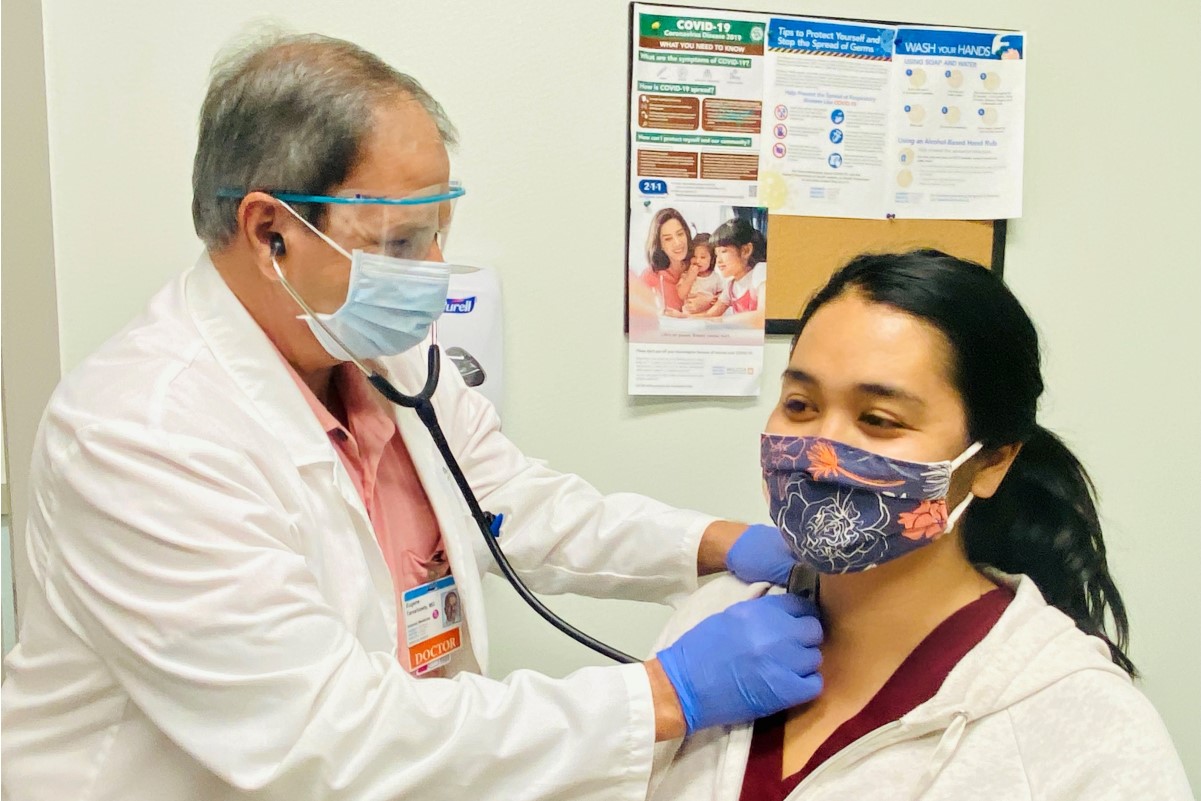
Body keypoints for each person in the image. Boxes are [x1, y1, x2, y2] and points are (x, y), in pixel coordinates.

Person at [0, 33, 825, 801]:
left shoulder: (375, 354)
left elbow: (507, 503)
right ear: (269, 230)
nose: (431, 271)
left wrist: (714, 542)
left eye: (437, 233)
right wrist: (662, 696)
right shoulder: (140, 433)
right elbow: (326, 735)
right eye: (398, 241)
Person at [647, 251, 1192, 800]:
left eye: (878, 419)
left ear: (992, 462)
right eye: (800, 404)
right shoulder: (716, 625)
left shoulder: (1086, 729)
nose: (820, 451)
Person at [701, 218, 766, 320]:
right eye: (717, 255)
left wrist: (719, 321)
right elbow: (709, 315)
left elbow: (762, 316)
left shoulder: (761, 271)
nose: (718, 261)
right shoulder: (731, 286)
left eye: (724, 251)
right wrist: (682, 317)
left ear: (746, 250)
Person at [639, 207, 692, 315]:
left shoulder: (699, 266)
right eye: (668, 239)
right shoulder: (650, 277)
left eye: (680, 234)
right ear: (660, 245)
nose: (677, 243)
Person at [679, 233, 724, 315]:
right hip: (689, 315)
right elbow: (681, 295)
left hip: (708, 315)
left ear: (711, 259)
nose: (698, 261)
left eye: (703, 257)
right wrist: (690, 277)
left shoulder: (715, 277)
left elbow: (723, 295)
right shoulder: (686, 275)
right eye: (694, 256)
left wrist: (716, 298)